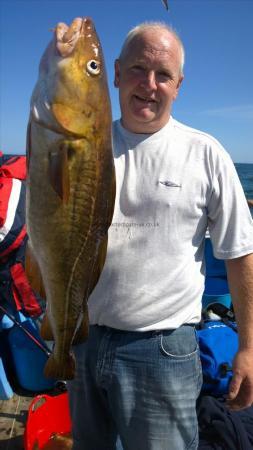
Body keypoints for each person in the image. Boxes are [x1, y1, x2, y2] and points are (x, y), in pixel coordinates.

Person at [67, 22, 253, 450]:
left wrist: (247, 346)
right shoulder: (83, 147)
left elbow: (240, 254)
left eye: (163, 75)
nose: (149, 85)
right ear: (114, 74)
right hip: (82, 341)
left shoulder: (205, 153)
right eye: (137, 69)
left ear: (179, 85)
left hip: (163, 352)